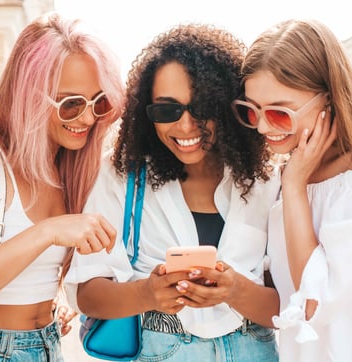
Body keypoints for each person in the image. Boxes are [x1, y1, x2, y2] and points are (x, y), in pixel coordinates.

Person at [64, 24, 280, 361]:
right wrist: (147, 294)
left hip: (252, 347)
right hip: (161, 347)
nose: (185, 126)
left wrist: (236, 291)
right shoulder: (120, 176)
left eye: (202, 107)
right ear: (145, 112)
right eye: (167, 110)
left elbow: (290, 307)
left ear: (225, 106)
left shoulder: (265, 181)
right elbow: (87, 295)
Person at [232, 18, 352, 361]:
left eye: (279, 113)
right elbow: (289, 288)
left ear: (329, 100)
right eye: (251, 111)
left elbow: (312, 303)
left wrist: (294, 187)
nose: (262, 126)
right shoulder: (298, 171)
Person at [0, 12, 124, 360]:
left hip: (47, 345)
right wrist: (47, 232)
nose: (87, 118)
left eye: (98, 102)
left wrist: (48, 302)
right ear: (29, 96)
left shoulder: (71, 170)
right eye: (71, 104)